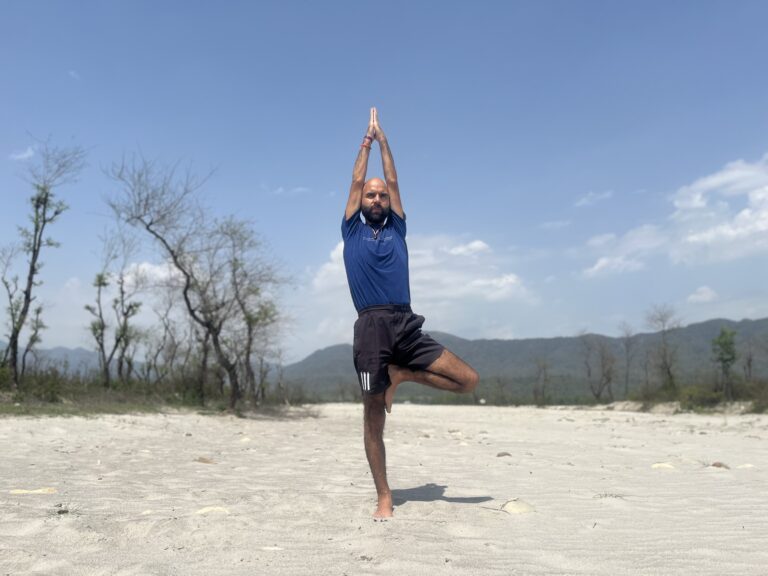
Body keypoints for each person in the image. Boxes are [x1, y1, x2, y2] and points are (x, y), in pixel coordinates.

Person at [342, 107, 479, 519]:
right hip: (370, 328)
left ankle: (402, 374)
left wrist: (385, 140)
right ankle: (384, 495)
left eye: (382, 195)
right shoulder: (351, 227)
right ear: (362, 201)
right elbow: (354, 179)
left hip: (405, 323)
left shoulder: (398, 226)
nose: (378, 198)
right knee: (372, 418)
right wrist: (365, 142)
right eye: (372, 194)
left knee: (468, 381)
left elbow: (395, 179)